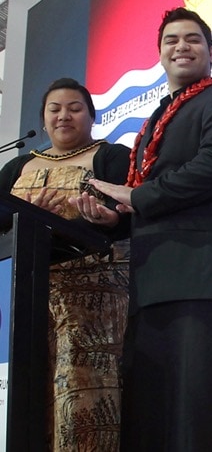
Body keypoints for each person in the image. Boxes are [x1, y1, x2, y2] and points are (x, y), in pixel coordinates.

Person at [76, 7, 212, 451]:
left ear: (211, 51)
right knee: (152, 422)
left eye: (193, 39)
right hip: (148, 285)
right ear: (160, 55)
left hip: (203, 279)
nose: (182, 46)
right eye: (171, 40)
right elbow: (149, 196)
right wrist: (115, 219)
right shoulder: (157, 118)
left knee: (202, 418)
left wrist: (134, 197)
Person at [0, 78, 131, 451]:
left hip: (93, 300)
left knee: (82, 395)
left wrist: (110, 219)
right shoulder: (18, 167)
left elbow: (134, 215)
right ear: (43, 121)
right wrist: (25, 216)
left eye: (74, 108)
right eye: (54, 109)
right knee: (28, 394)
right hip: (26, 300)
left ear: (91, 115)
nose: (64, 116)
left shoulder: (112, 157)